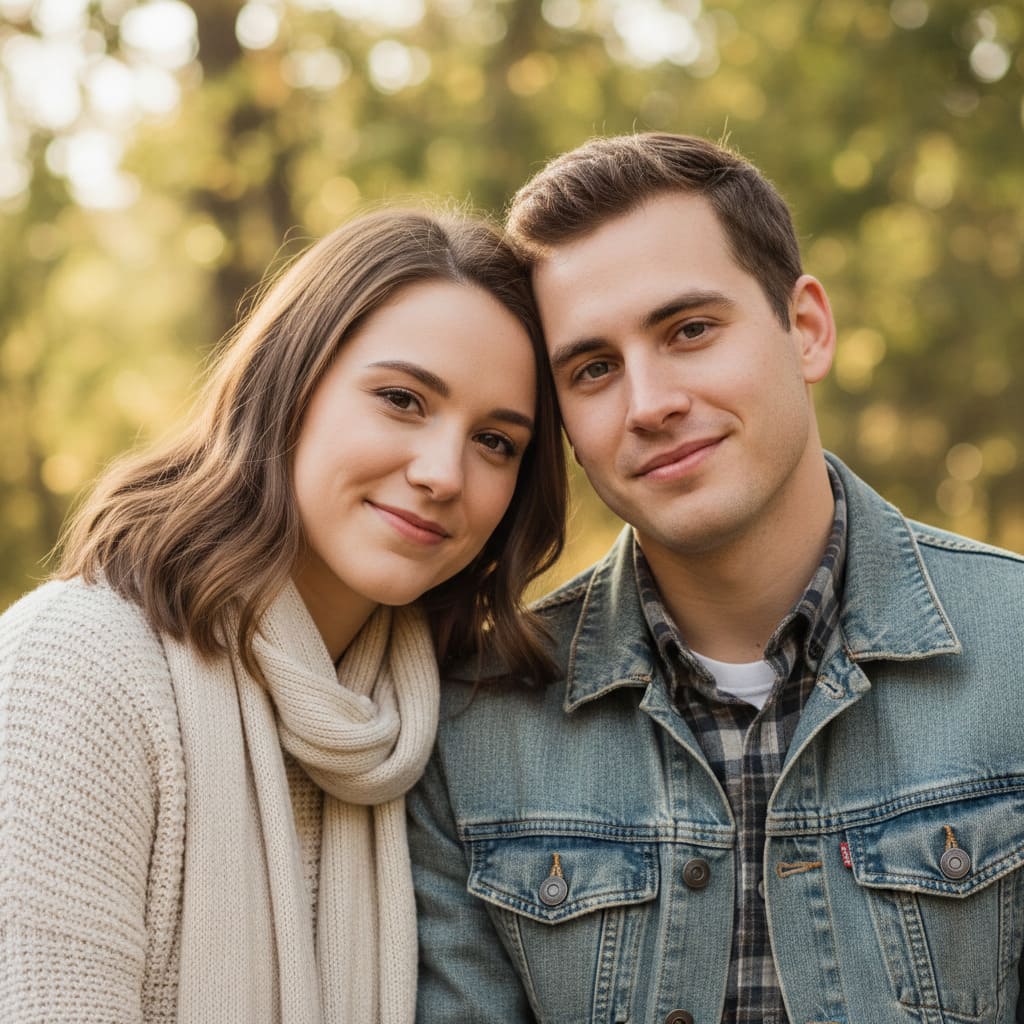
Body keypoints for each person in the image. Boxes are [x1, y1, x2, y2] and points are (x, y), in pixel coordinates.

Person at [408, 133, 1024, 1024]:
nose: (649, 402)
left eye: (690, 330)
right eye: (593, 369)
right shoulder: (473, 717)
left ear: (805, 328)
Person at [0, 207, 566, 1023]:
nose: (444, 473)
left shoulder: (431, 723)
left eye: (496, 442)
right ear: (288, 384)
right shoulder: (75, 669)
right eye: (403, 399)